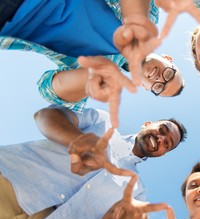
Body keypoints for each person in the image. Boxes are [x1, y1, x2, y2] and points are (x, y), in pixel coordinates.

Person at [0, 105, 187, 219]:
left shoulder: (137, 192)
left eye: (167, 144)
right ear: (147, 124)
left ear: (162, 154)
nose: (161, 139)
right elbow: (45, 116)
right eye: (162, 130)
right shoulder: (102, 121)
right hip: (10, 181)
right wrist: (78, 140)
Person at [0, 0, 185, 126]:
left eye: (159, 87)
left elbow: (47, 89)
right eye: (169, 74)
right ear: (168, 59)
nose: (160, 78)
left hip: (10, 20)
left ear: (146, 87)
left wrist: (88, 79)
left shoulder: (100, 81)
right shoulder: (149, 17)